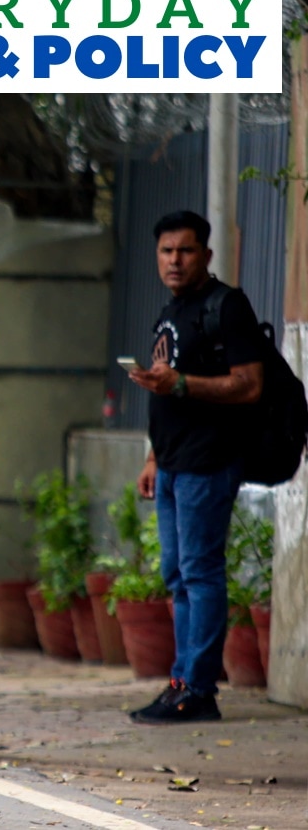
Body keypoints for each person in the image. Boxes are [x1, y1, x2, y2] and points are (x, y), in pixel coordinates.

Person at [126, 210, 265, 725]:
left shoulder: (225, 307)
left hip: (209, 462)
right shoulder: (170, 312)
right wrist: (152, 457)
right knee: (177, 575)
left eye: (185, 251)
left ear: (205, 255)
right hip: (172, 465)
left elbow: (250, 384)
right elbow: (165, 396)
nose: (174, 261)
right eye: (166, 251)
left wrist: (182, 384)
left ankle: (199, 689)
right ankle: (181, 682)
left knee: (200, 574)